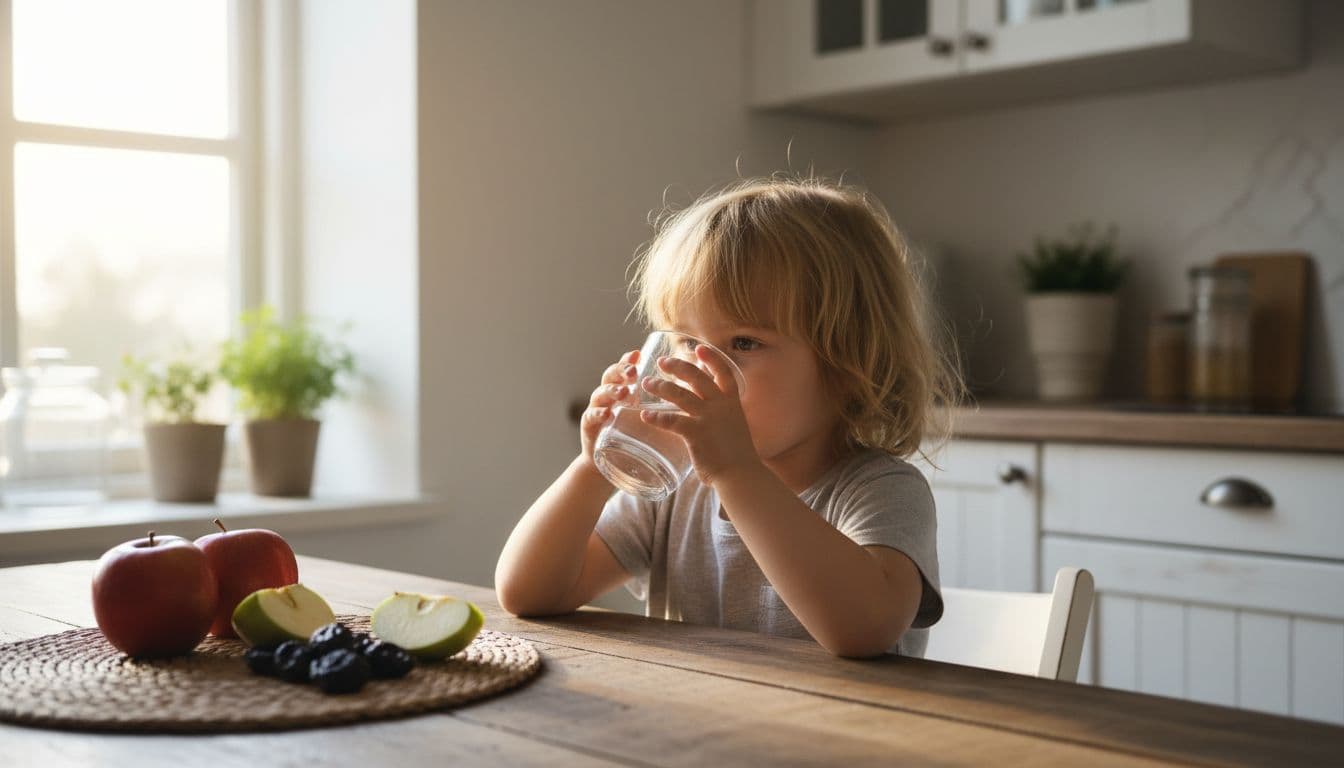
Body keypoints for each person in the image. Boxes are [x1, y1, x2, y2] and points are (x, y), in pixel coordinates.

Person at [495, 176, 961, 657]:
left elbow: (863, 630)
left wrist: (737, 472)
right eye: (685, 342)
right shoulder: (675, 491)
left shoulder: (879, 491)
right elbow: (529, 593)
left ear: (847, 365)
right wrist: (592, 470)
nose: (700, 368)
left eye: (743, 343)